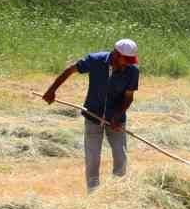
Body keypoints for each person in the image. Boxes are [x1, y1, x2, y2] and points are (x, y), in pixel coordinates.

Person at [43, 39, 140, 191]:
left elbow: (129, 97)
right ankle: (93, 194)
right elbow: (70, 70)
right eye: (125, 60)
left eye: (130, 61)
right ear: (115, 54)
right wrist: (51, 90)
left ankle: (118, 191)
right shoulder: (95, 60)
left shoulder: (132, 71)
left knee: (121, 157)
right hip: (93, 116)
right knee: (93, 159)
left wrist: (117, 115)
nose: (127, 64)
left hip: (116, 121)